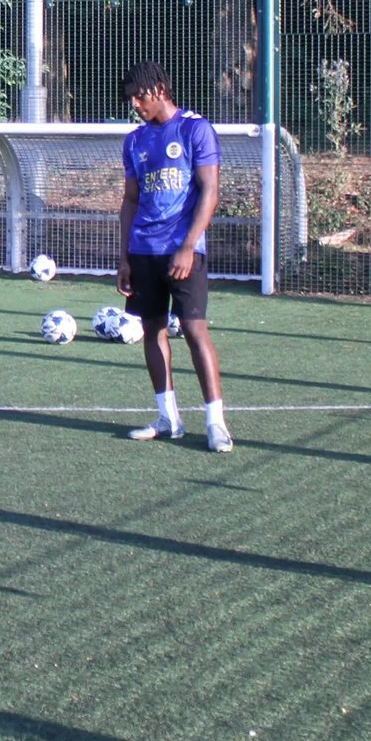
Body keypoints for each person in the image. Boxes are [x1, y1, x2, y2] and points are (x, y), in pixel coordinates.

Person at [115, 60, 231, 452]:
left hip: (184, 251)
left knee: (196, 331)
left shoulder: (195, 128)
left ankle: (216, 423)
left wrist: (187, 246)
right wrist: (124, 257)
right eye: (131, 97)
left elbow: (210, 191)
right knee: (152, 330)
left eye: (140, 95)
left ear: (160, 89)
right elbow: (130, 200)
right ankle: (168, 417)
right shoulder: (133, 140)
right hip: (143, 249)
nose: (135, 103)